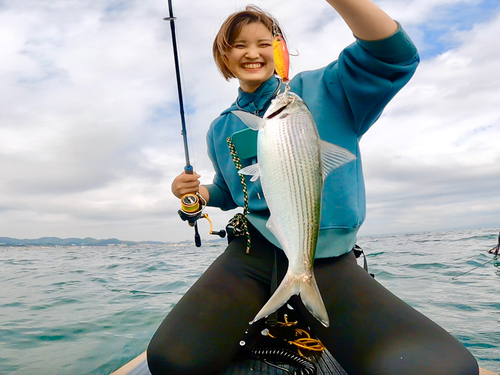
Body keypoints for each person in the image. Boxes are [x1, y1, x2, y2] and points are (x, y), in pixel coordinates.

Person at [147, 1, 479, 374]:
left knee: (442, 370)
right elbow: (230, 190)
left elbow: (394, 55)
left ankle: (299, 309)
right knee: (171, 360)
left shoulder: (325, 88)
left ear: (280, 49)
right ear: (224, 56)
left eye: (263, 42)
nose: (252, 53)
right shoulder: (220, 127)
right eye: (239, 45)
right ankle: (281, 312)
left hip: (325, 258)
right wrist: (198, 194)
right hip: (252, 252)